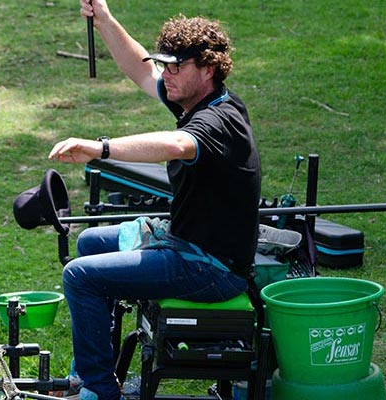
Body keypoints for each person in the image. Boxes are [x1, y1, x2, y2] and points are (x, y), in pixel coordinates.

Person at [47, 1, 261, 400]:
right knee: (90, 242)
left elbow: (177, 144)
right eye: (166, 65)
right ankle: (97, 370)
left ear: (208, 69)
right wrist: (105, 19)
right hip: (183, 242)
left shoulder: (218, 121)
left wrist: (100, 148)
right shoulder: (199, 99)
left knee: (79, 275)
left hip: (208, 267)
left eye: (176, 67)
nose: (166, 75)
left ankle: (97, 390)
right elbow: (141, 70)